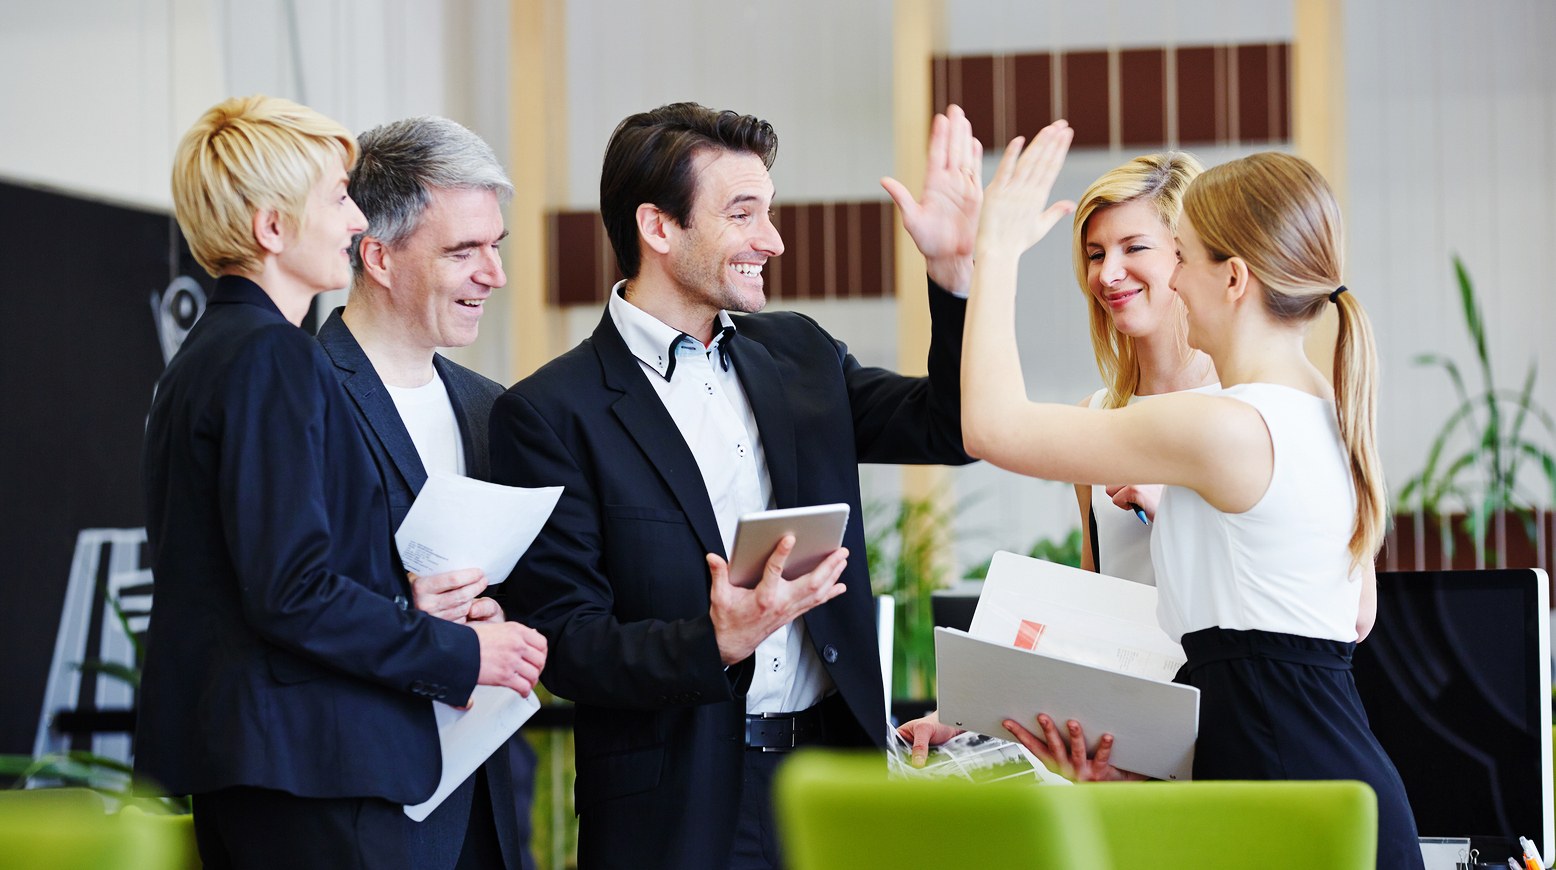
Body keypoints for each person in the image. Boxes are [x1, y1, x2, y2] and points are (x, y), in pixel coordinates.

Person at [488, 102, 981, 870]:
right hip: (679, 808)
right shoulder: (550, 413)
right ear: (658, 228)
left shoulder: (800, 352)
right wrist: (715, 642)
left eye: (770, 212)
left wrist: (953, 280)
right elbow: (568, 644)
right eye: (743, 213)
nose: (772, 241)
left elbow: (950, 429)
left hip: (833, 778)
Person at [948, 121, 1423, 870]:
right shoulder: (1326, 417)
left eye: (1183, 258)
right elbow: (1291, 659)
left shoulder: (1225, 428)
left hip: (1292, 816)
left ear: (1232, 278)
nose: (1171, 279)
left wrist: (997, 249)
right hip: (1304, 802)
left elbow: (990, 426)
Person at [138, 95, 546, 870]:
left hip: (264, 767)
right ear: (271, 227)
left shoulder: (208, 355)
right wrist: (464, 654)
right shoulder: (274, 355)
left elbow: (255, 568)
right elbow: (291, 589)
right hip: (312, 769)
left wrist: (404, 599)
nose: (358, 221)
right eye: (337, 198)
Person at [314, 115, 542, 870]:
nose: (493, 274)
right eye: (463, 251)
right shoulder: (304, 396)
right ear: (377, 256)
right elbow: (283, 594)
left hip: (487, 793)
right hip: (363, 806)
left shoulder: (490, 406)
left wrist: (496, 614)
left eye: (495, 248)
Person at [1068, 153, 1218, 584]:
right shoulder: (1091, 421)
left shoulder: (1258, 409)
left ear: (1190, 255)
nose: (1108, 274)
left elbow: (1344, 613)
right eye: (1096, 255)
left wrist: (1177, 518)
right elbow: (1094, 585)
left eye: (1134, 247)